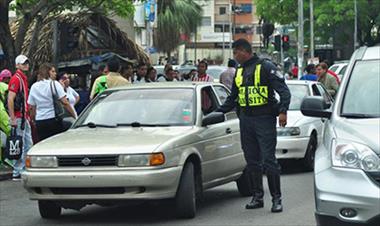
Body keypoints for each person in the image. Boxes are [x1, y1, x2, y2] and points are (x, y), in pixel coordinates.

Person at [216, 39, 291, 213]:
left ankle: (276, 199)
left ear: (244, 51)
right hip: (246, 120)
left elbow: (284, 91)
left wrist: (283, 111)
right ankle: (257, 197)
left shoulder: (265, 66)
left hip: (264, 119)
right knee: (251, 161)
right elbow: (233, 97)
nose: (234, 56)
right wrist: (218, 112)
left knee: (269, 160)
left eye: (236, 52)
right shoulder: (239, 71)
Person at [28, 63, 77, 142]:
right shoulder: (54, 84)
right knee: (55, 142)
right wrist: (74, 115)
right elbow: (65, 102)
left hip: (40, 121)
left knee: (42, 143)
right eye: (53, 71)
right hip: (53, 119)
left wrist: (33, 120)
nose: (55, 73)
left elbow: (32, 107)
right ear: (47, 72)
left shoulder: (34, 86)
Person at [7, 55, 34, 180]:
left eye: (26, 63)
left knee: (28, 143)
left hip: (24, 116)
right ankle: (17, 171)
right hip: (19, 117)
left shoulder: (22, 78)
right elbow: (10, 98)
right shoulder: (16, 79)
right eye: (23, 63)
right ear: (17, 65)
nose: (26, 65)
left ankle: (22, 169)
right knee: (20, 144)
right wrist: (12, 118)